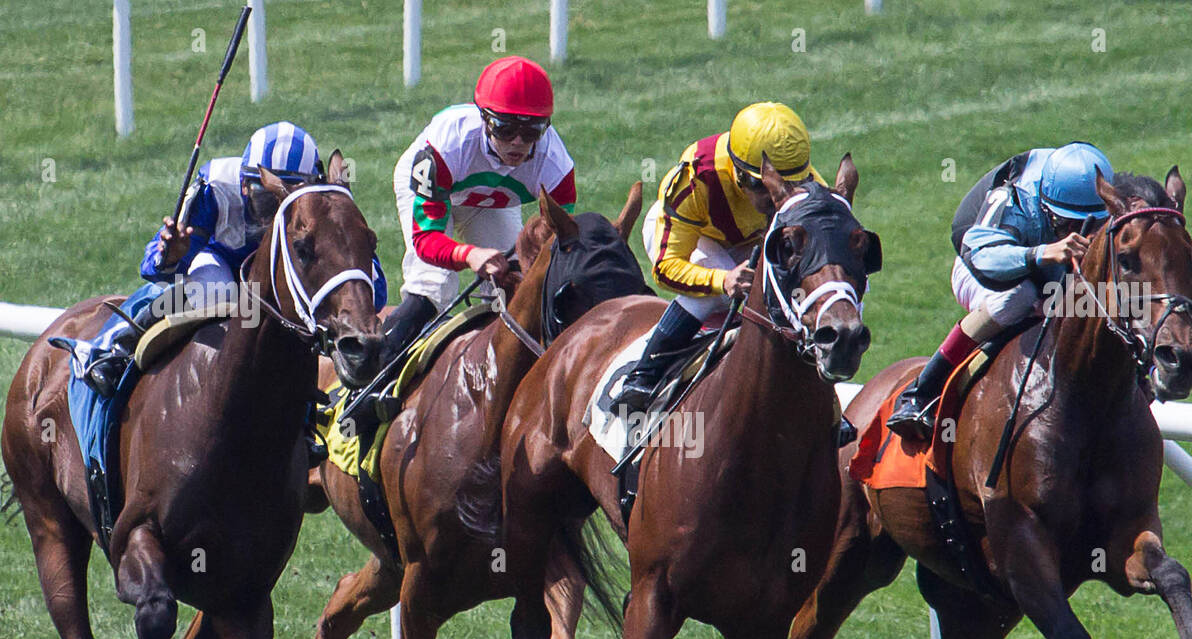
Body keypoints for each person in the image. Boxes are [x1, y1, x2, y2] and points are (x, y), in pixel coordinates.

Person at [74, 122, 387, 396]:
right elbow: (153, 266)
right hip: (222, 266)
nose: (274, 214)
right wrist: (171, 257)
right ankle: (112, 347)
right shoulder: (214, 186)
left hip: (275, 284)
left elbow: (374, 286)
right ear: (242, 183)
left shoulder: (325, 205)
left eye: (284, 200)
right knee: (214, 289)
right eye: (265, 199)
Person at [886, 141, 1114, 440]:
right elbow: (981, 257)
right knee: (1017, 297)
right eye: (1069, 223)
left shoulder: (1102, 192)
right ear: (1046, 208)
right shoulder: (1016, 195)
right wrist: (1042, 253)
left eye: (1094, 224)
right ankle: (922, 392)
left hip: (1046, 270)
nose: (1082, 233)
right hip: (982, 270)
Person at [612, 102, 824, 416]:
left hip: (750, 242)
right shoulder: (698, 178)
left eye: (790, 186)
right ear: (740, 175)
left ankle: (823, 399)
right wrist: (721, 281)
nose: (779, 196)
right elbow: (665, 268)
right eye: (765, 187)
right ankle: (645, 373)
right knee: (712, 294)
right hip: (689, 236)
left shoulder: (810, 186)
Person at [381, 55, 577, 364]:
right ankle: (373, 376)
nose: (517, 142)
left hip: (488, 201)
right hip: (438, 189)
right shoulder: (448, 145)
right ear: (484, 118)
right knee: (434, 284)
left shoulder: (557, 167)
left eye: (531, 131)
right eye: (504, 127)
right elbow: (426, 240)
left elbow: (557, 247)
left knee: (513, 288)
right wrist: (469, 255)